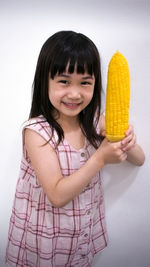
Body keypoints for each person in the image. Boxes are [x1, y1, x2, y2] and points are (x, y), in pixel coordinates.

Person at [5, 31, 145, 267]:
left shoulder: (95, 122)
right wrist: (100, 158)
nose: (74, 93)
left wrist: (128, 143)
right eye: (64, 81)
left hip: (80, 238)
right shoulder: (37, 132)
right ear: (44, 81)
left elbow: (139, 160)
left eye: (85, 83)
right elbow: (57, 195)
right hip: (43, 241)